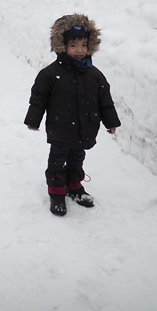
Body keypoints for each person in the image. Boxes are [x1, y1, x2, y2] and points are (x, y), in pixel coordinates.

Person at [24, 13, 120, 217]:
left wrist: (110, 121)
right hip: (60, 128)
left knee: (78, 157)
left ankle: (74, 184)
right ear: (62, 46)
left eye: (84, 45)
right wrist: (33, 119)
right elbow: (38, 98)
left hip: (85, 128)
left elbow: (105, 100)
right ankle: (57, 190)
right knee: (57, 159)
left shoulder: (94, 75)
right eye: (74, 45)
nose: (80, 50)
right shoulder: (50, 74)